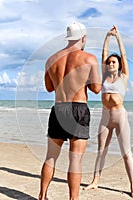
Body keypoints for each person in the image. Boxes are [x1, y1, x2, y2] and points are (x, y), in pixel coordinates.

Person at [39, 22, 101, 200]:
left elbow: (49, 88)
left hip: (58, 108)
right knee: (75, 160)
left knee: (50, 157)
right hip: (78, 109)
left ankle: (42, 196)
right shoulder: (89, 59)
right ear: (83, 38)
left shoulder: (51, 60)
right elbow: (96, 89)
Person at [84, 26, 133, 198]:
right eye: (109, 62)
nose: (110, 63)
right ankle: (95, 181)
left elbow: (123, 55)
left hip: (119, 116)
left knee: (126, 153)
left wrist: (118, 37)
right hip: (105, 117)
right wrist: (107, 36)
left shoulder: (124, 77)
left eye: (113, 62)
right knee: (101, 150)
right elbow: (103, 54)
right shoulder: (104, 75)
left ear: (119, 65)